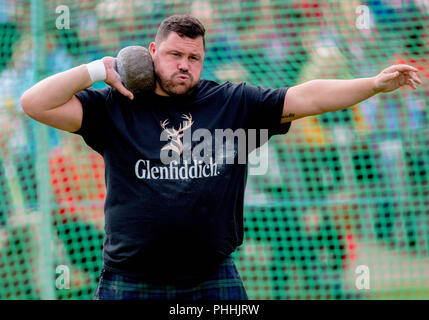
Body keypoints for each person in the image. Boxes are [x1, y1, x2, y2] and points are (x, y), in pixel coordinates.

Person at [19, 14, 421, 300]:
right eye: (175, 55)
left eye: (193, 58)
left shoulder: (231, 103)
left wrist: (372, 84)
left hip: (210, 278)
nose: (183, 66)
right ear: (152, 52)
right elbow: (34, 103)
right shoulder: (117, 106)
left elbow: (306, 96)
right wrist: (96, 70)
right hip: (131, 279)